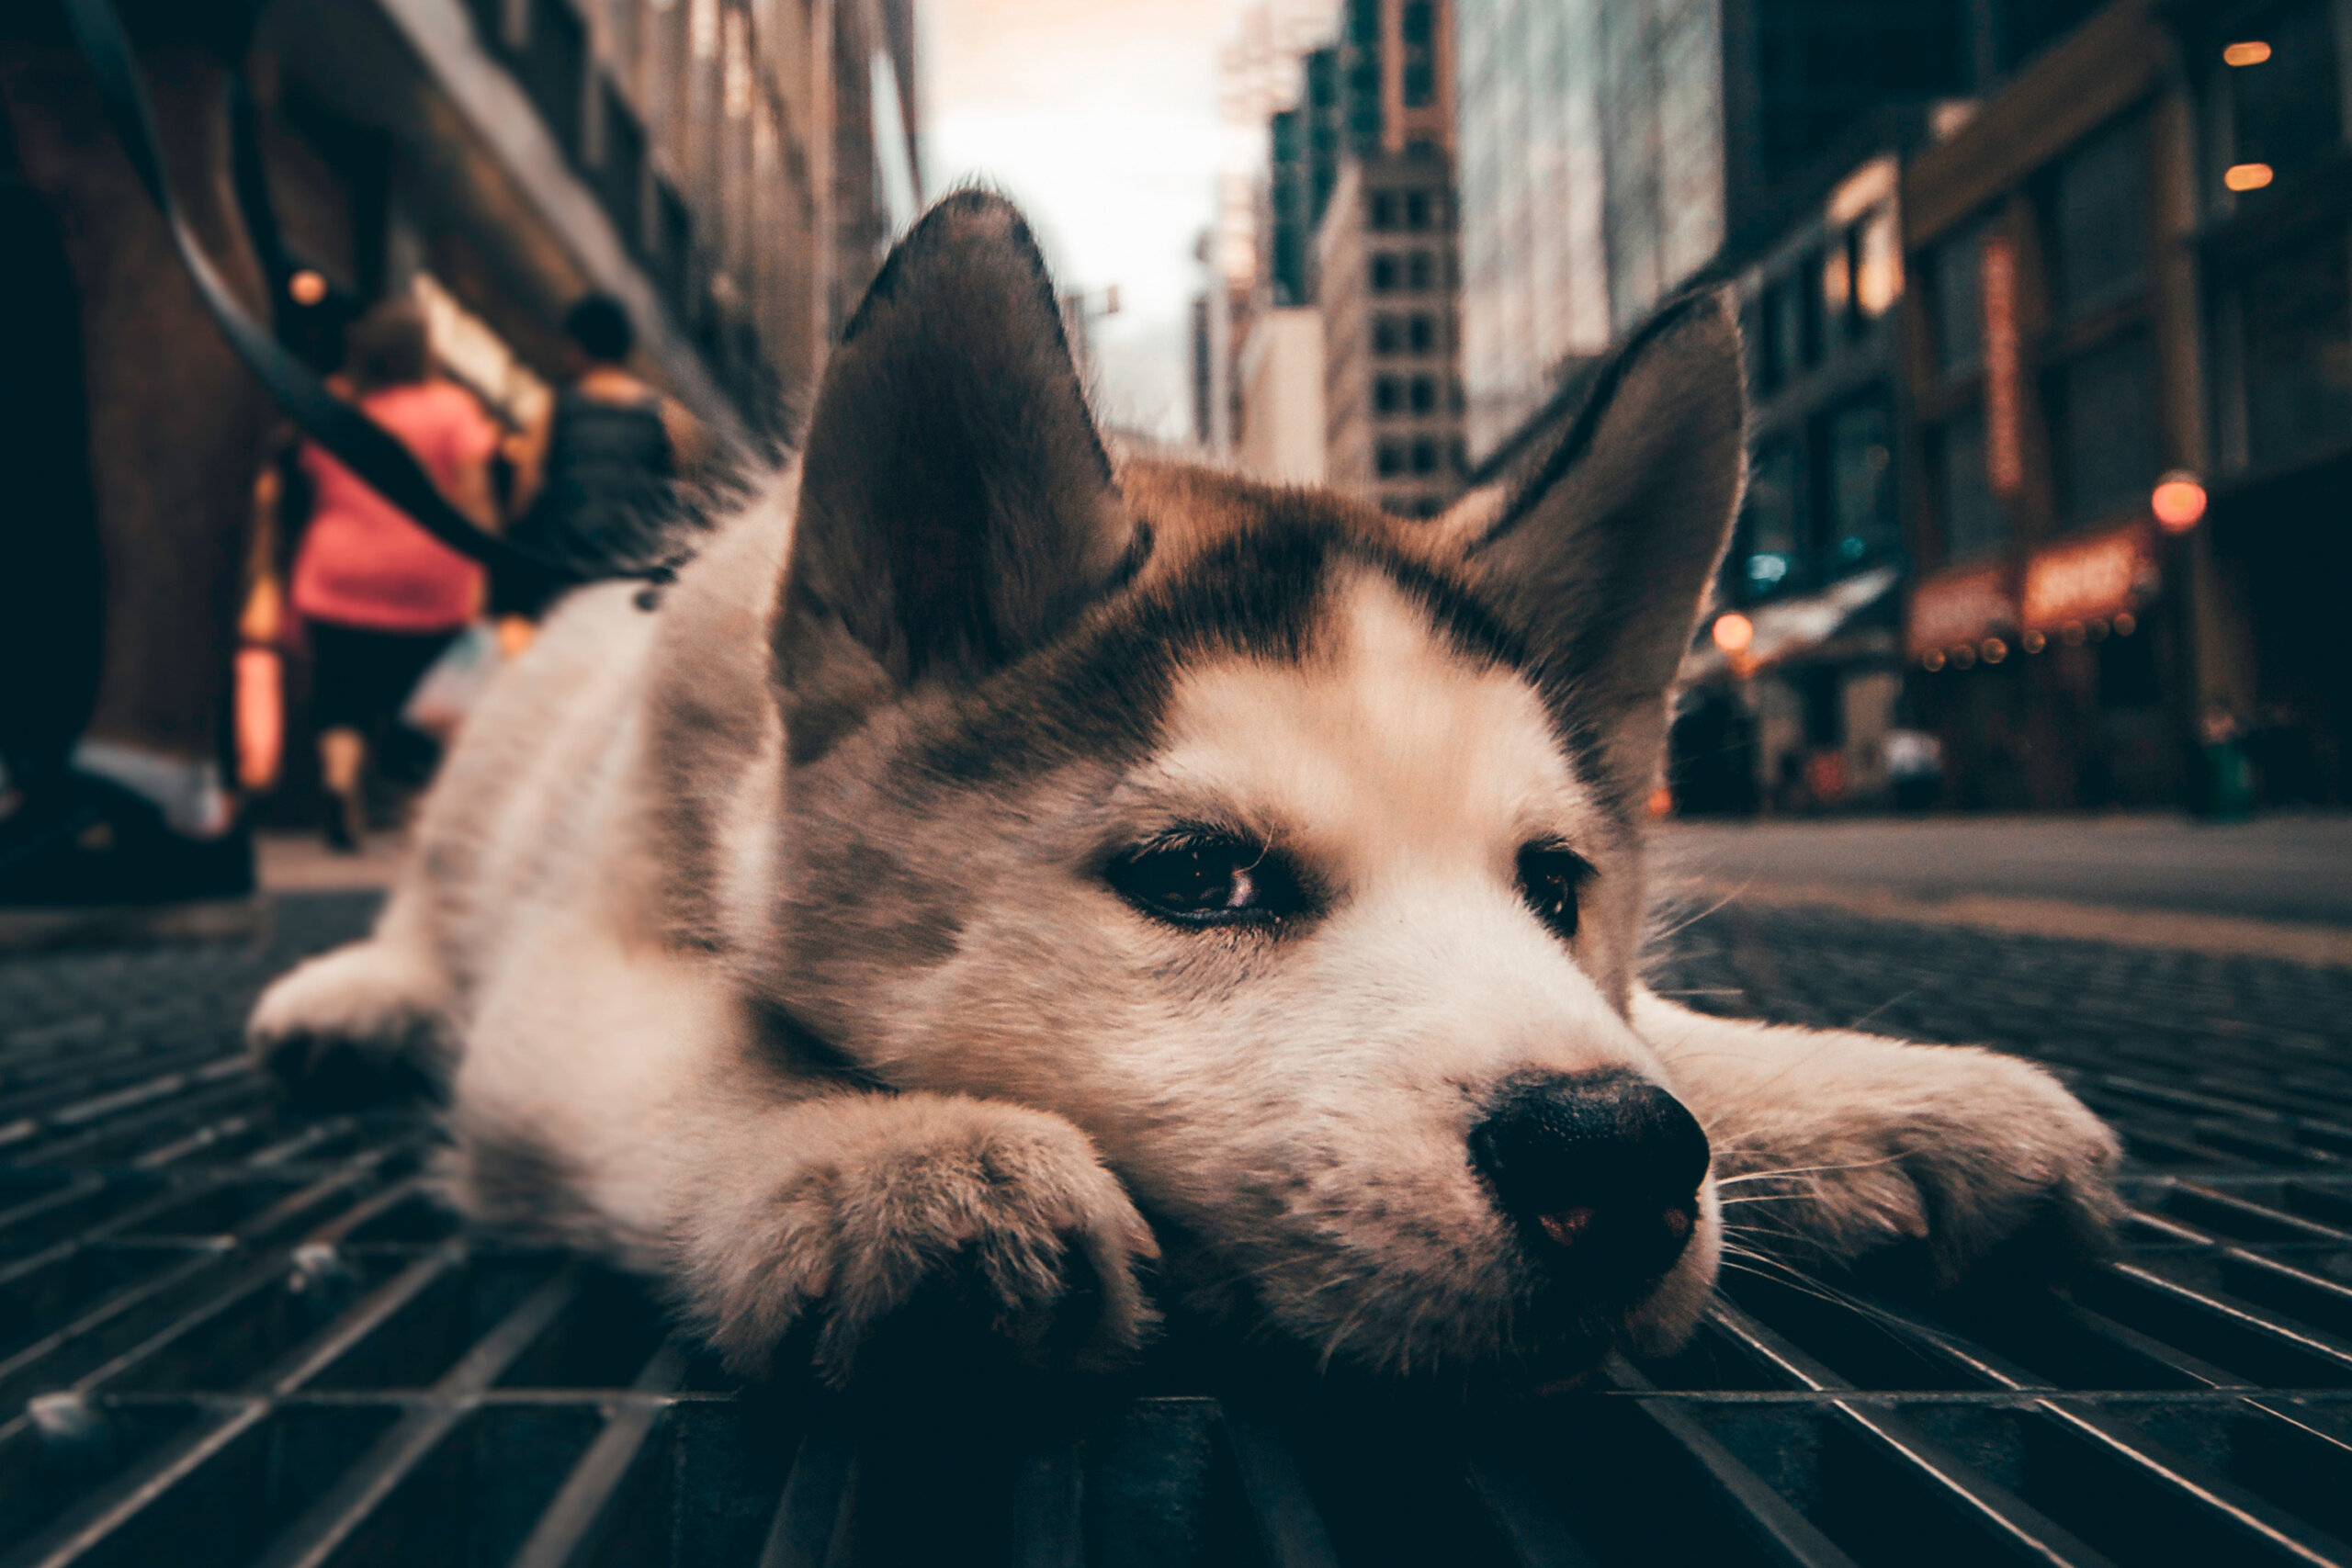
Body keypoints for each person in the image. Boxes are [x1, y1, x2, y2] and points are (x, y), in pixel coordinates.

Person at [288, 299, 498, 852]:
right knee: (428, 702)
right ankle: (420, 816)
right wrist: (483, 565)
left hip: (339, 572)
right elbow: (474, 497)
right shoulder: (452, 409)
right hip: (430, 576)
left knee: (342, 697)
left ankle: (338, 784)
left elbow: (307, 479)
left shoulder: (335, 405)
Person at [496, 293, 705, 648]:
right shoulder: (669, 416)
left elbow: (525, 491)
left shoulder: (553, 408)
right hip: (635, 576)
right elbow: (681, 495)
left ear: (577, 348)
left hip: (568, 575)